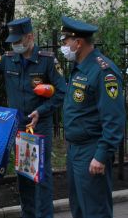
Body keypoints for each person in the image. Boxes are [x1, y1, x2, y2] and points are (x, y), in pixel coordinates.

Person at [0, 17, 66, 218]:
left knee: (41, 176)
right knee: (24, 174)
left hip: (39, 127)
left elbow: (61, 93)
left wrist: (41, 111)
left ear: (30, 37)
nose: (14, 45)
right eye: (12, 41)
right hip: (20, 127)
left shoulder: (47, 60)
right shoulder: (8, 58)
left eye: (18, 40)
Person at [60, 16, 125, 218]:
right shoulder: (79, 68)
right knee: (79, 208)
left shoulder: (104, 72)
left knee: (95, 210)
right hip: (75, 150)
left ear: (78, 43)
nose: (63, 45)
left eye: (65, 41)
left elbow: (114, 119)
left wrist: (101, 154)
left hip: (91, 151)